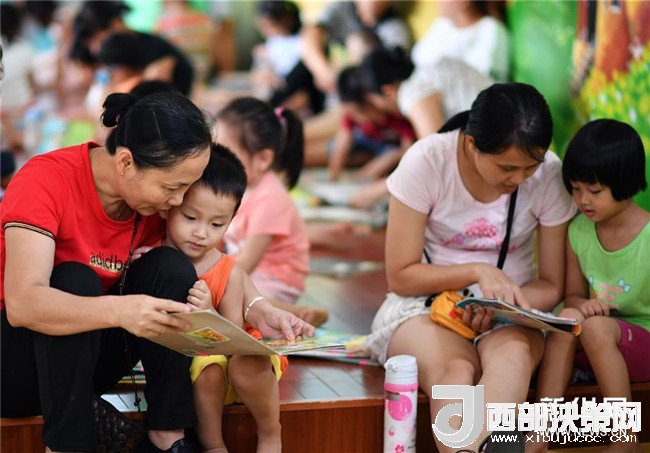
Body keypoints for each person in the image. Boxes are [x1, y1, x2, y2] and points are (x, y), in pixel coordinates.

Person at [0, 90, 312, 452]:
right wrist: (122, 310)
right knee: (75, 279)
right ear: (126, 163)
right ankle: (68, 446)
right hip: (15, 369)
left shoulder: (148, 205)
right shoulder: (46, 179)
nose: (177, 202)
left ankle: (168, 437)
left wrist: (260, 309)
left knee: (169, 267)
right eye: (172, 187)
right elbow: (23, 303)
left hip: (85, 367)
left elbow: (219, 267)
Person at [363, 83, 576, 452]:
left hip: (513, 312)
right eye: (507, 167)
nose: (519, 179)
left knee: (513, 355)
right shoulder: (427, 161)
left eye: (531, 167)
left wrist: (504, 305)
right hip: (427, 306)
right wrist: (479, 271)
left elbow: (551, 284)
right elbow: (401, 275)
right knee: (456, 371)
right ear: (471, 143)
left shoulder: (549, 174)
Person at [150, 144, 286, 453]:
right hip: (195, 373)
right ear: (169, 206)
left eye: (216, 224)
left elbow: (233, 338)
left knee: (238, 363)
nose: (201, 233)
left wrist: (208, 311)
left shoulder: (228, 269)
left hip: (238, 365)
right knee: (207, 367)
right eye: (190, 217)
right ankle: (214, 446)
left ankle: (270, 432)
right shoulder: (153, 258)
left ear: (231, 220)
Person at [531, 119, 649, 453]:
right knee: (566, 319)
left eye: (595, 191)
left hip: (642, 341)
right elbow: (572, 295)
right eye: (575, 188)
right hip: (596, 342)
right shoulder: (578, 231)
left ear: (626, 182)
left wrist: (598, 321)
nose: (583, 200)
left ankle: (625, 437)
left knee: (596, 329)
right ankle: (540, 432)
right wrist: (583, 306)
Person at [217, 97, 329, 327]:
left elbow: (247, 262)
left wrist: (213, 280)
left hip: (275, 278)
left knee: (228, 300)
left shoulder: (270, 198)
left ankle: (298, 313)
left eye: (226, 153)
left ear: (263, 159)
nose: (215, 160)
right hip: (249, 271)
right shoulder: (239, 186)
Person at [347, 47, 493, 208]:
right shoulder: (429, 70)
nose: (378, 107)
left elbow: (437, 160)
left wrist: (379, 190)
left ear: (387, 91)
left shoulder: (413, 92)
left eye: (374, 100)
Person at [72, 1, 194, 96]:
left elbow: (151, 95)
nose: (94, 49)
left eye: (96, 39)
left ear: (116, 24)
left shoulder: (157, 49)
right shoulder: (116, 54)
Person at [329, 66, 415, 181]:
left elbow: (407, 148)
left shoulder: (396, 113)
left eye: (360, 111)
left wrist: (385, 161)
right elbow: (342, 144)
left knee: (392, 156)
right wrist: (333, 177)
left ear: (371, 99)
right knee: (335, 147)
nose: (357, 118)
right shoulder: (353, 113)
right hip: (370, 143)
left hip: (391, 147)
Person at [253, 0, 325, 116]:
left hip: (300, 91)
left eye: (268, 26)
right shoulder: (274, 40)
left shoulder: (305, 39)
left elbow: (300, 79)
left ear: (286, 20)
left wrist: (279, 81)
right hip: (278, 88)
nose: (264, 31)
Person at [411, 0, 510, 82]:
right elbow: (419, 56)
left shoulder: (491, 29)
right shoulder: (442, 24)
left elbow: (485, 81)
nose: (438, 1)